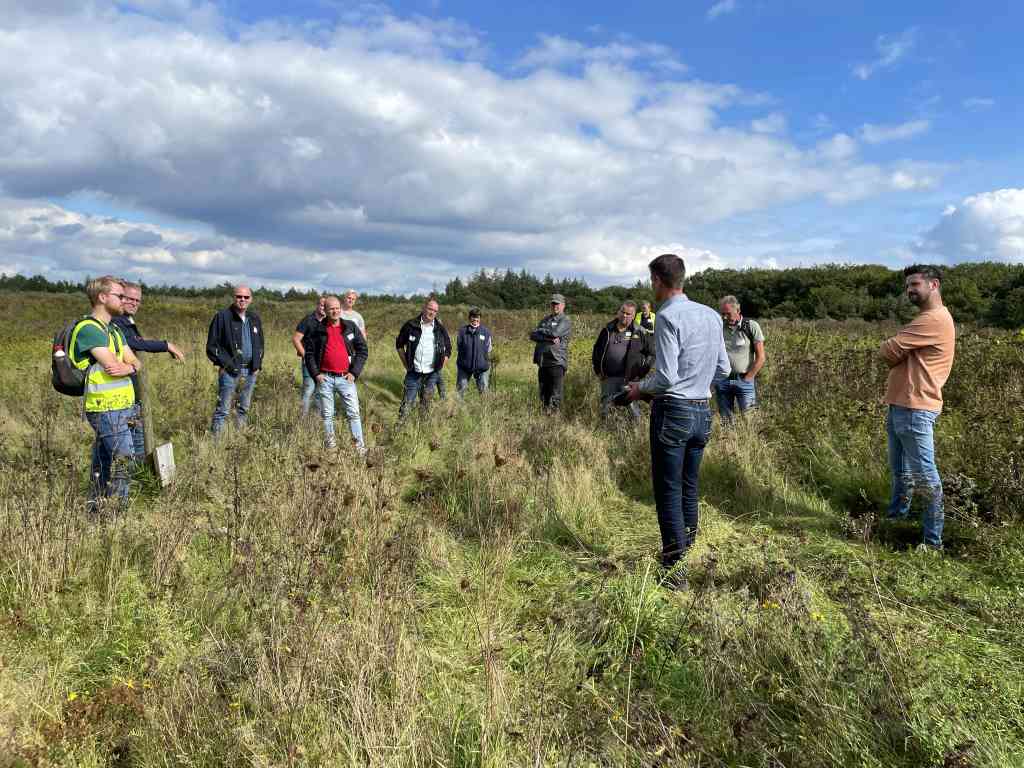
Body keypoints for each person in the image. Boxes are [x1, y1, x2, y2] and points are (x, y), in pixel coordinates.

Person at [625, 254, 729, 587]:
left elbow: (666, 377)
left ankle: (674, 572)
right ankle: (686, 552)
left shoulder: (668, 317)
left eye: (651, 280)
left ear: (657, 280)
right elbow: (725, 369)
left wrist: (638, 389)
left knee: (668, 491)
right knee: (689, 486)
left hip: (673, 410)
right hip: (703, 412)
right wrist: (698, 381)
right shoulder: (712, 315)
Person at [879, 265, 956, 552]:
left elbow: (887, 351)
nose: (909, 290)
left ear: (933, 285)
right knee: (902, 472)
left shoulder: (932, 320)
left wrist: (897, 347)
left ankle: (932, 542)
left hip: (915, 407)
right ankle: (897, 517)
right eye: (908, 285)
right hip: (902, 405)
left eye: (915, 284)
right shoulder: (928, 319)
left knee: (925, 476)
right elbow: (896, 351)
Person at [70, 276, 141, 508]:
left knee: (102, 463)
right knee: (125, 460)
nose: (124, 300)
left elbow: (134, 363)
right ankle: (116, 513)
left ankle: (94, 508)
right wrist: (128, 367)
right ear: (102, 297)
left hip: (121, 406)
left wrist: (128, 367)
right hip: (104, 408)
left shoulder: (113, 330)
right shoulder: (89, 329)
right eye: (119, 296)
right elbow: (112, 367)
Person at [111, 281, 186, 459]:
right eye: (129, 298)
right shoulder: (116, 321)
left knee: (137, 443)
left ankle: (138, 480)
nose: (134, 303)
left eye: (138, 300)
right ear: (120, 297)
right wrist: (166, 345)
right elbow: (135, 343)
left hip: (129, 391)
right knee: (130, 448)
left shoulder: (125, 320)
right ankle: (134, 481)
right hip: (120, 394)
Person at [303, 296, 369, 453]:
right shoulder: (317, 330)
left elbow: (362, 350)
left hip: (346, 378)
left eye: (337, 307)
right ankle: (331, 448)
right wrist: (316, 375)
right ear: (325, 310)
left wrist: (354, 372)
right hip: (325, 378)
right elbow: (309, 354)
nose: (335, 311)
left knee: (353, 413)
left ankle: (359, 448)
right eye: (331, 308)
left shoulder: (350, 327)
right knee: (327, 415)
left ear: (341, 308)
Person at [206, 285, 264, 435]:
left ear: (251, 299)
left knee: (244, 408)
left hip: (251, 371)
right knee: (223, 410)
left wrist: (258, 364)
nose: (242, 300)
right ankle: (216, 447)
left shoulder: (254, 318)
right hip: (229, 372)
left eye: (246, 297)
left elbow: (260, 344)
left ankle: (239, 441)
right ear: (234, 298)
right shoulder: (222, 316)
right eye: (239, 296)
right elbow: (211, 347)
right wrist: (225, 364)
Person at [591, 301, 653, 420]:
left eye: (628, 314)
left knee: (632, 407)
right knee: (606, 405)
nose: (625, 315)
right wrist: (598, 370)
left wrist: (642, 372)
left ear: (634, 316)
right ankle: (605, 430)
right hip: (608, 377)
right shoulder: (607, 329)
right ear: (618, 312)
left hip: (629, 379)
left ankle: (636, 430)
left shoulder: (639, 331)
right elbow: (597, 349)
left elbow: (651, 353)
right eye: (623, 312)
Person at [395, 298, 452, 419]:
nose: (432, 313)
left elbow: (448, 349)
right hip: (413, 373)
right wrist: (406, 364)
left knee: (425, 404)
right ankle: (398, 431)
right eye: (430, 309)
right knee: (406, 404)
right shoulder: (411, 325)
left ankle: (422, 430)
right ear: (424, 308)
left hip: (431, 374)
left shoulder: (439, 328)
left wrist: (440, 365)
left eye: (435, 311)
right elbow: (399, 344)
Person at [714, 295, 766, 423]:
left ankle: (750, 442)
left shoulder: (751, 326)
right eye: (722, 314)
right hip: (723, 380)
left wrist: (748, 378)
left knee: (750, 420)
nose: (725, 317)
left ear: (738, 311)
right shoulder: (719, 327)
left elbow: (761, 357)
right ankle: (729, 442)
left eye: (728, 314)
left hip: (744, 379)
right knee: (726, 421)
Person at [530, 294, 572, 412]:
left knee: (555, 394)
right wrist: (547, 338)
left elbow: (555, 333)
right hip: (543, 361)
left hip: (556, 361)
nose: (555, 306)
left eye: (557, 304)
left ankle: (554, 420)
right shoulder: (545, 319)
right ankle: (544, 418)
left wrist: (541, 331)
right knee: (543, 393)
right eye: (553, 303)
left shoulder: (565, 320)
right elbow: (533, 335)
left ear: (563, 305)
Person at [292, 295, 327, 417]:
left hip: (324, 363)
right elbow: (296, 339)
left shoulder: (328, 322)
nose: (324, 308)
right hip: (309, 362)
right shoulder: (307, 320)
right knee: (308, 391)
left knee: (320, 392)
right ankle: (302, 419)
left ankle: (317, 419)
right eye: (322, 305)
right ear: (317, 305)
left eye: (326, 306)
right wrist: (306, 356)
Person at [456, 307, 493, 397]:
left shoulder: (486, 332)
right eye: (473, 317)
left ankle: (484, 410)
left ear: (480, 319)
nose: (475, 319)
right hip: (464, 367)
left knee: (484, 392)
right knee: (460, 392)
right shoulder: (462, 332)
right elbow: (458, 347)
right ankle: (458, 410)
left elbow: (489, 349)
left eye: (478, 317)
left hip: (482, 368)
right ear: (469, 318)